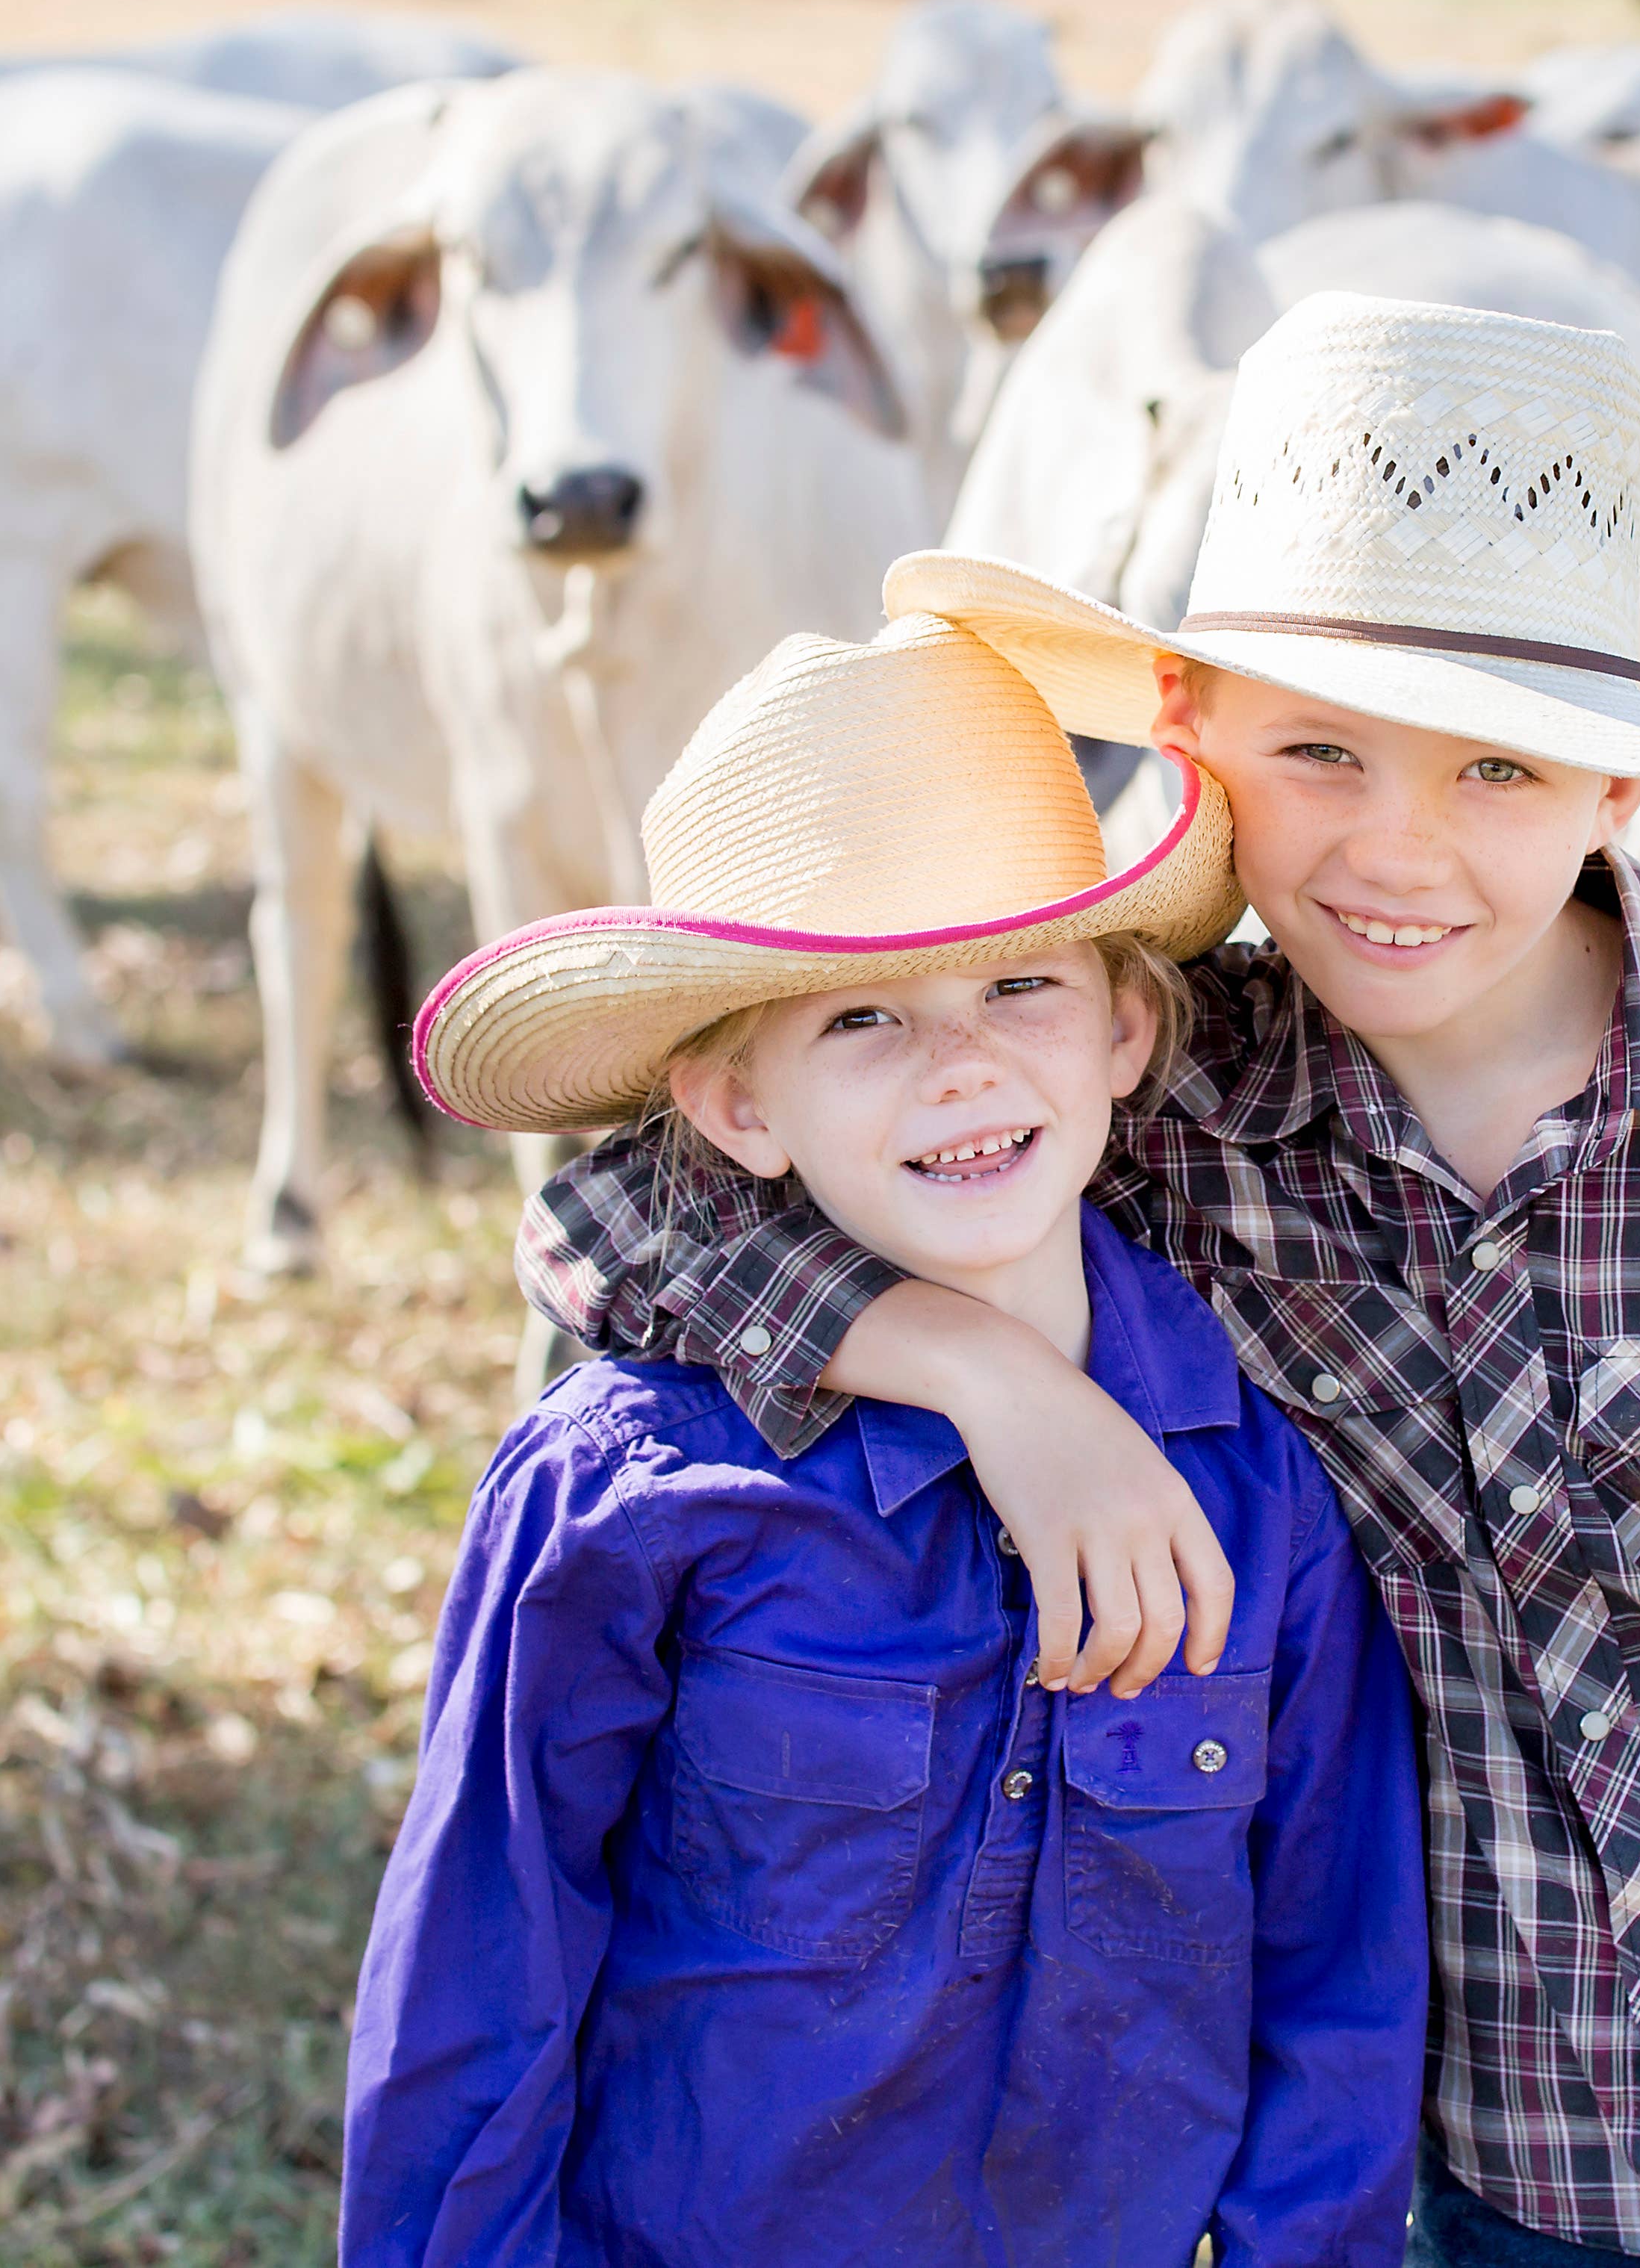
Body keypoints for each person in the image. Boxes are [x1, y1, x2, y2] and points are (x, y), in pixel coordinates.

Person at [525, 296, 1640, 2267]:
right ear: (1190, 738)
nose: (1397, 846)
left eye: (1502, 772)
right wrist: (994, 1382)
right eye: (1322, 750)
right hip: (1487, 2176)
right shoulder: (1154, 1094)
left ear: (1630, 783)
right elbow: (606, 1220)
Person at [341, 616, 1424, 2268]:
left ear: (1126, 1029)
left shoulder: (1256, 1488)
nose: (963, 1059)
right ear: (735, 1104)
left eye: (1018, 984)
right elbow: (483, 1970)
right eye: (860, 1017)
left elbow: (1330, 1985)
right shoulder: (633, 1487)